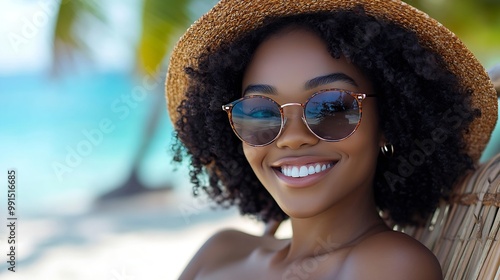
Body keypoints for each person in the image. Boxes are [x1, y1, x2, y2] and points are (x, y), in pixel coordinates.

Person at [165, 1, 498, 279]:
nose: (292, 138)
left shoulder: (390, 265)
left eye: (332, 107)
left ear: (388, 121)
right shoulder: (221, 250)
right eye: (259, 112)